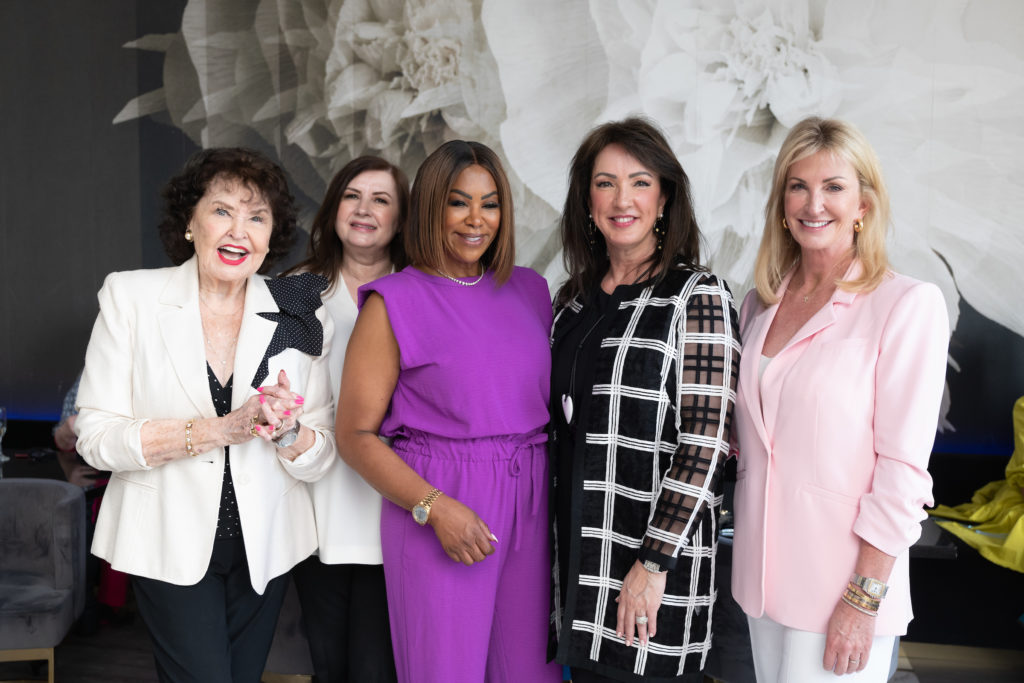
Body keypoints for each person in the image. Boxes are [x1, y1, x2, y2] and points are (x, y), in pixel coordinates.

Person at [74, 147, 338, 683]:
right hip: (165, 537)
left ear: (270, 236)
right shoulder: (131, 298)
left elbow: (322, 454)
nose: (239, 230)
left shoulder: (299, 310)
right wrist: (221, 429)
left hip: (266, 545)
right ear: (190, 222)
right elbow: (95, 437)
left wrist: (287, 431)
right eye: (222, 210)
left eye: (256, 216)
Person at [730, 117, 949, 681]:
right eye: (798, 186)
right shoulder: (759, 305)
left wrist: (864, 596)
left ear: (863, 207)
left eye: (833, 187)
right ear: (781, 203)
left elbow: (902, 470)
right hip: (761, 582)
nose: (813, 203)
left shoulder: (907, 305)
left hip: (842, 591)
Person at [336, 140, 561, 683]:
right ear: (433, 207)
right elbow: (355, 435)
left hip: (530, 492)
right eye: (459, 202)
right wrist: (435, 508)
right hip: (442, 493)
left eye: (490, 203)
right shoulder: (393, 300)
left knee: (530, 674)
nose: (476, 220)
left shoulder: (530, 290)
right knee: (446, 672)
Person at [549, 117, 741, 682]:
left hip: (652, 569)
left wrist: (653, 563)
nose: (622, 198)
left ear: (664, 198)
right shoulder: (572, 302)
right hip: (578, 558)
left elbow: (705, 443)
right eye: (605, 182)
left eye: (639, 181)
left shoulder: (696, 296)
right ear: (587, 200)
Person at [285, 156, 409, 682]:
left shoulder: (419, 291)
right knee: (330, 664)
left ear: (402, 219)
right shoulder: (294, 289)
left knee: (378, 667)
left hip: (397, 502)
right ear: (333, 206)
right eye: (352, 195)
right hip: (317, 503)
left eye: (381, 199)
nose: (363, 210)